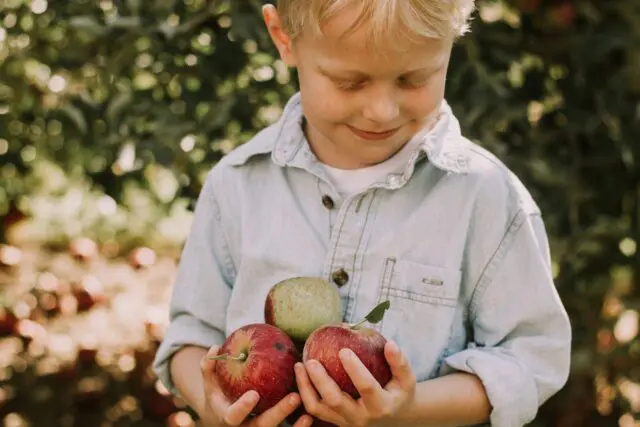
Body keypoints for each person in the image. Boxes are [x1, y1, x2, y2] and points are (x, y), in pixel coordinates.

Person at [152, 1, 572, 426]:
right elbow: (191, 336)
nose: (381, 110)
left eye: (414, 79)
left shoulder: (484, 198)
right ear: (284, 38)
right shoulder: (238, 185)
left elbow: (530, 360)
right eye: (349, 82)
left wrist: (410, 411)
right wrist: (212, 405)